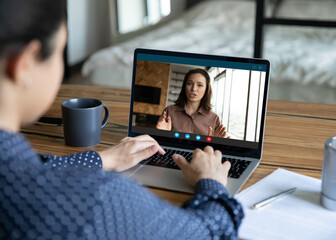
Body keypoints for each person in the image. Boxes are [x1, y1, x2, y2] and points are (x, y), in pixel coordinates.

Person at [0, 0, 243, 239]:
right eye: (60, 50)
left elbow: (39, 168)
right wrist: (212, 183)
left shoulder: (18, 172)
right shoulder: (101, 199)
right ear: (25, 64)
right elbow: (210, 231)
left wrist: (103, 158)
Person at [156, 68, 228, 138]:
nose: (193, 89)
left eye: (199, 85)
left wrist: (213, 143)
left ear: (206, 89)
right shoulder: (169, 111)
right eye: (190, 84)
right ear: (184, 87)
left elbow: (215, 148)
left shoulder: (214, 118)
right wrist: (161, 134)